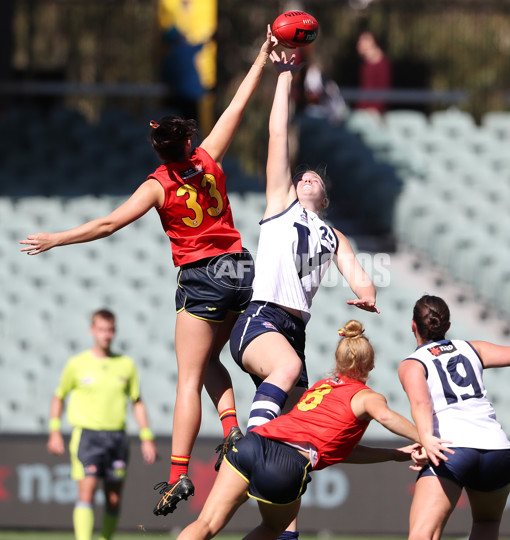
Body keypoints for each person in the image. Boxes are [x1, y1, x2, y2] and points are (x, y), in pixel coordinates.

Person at [20, 27, 277, 517]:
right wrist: (263, 56)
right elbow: (236, 110)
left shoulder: (158, 185)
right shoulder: (208, 159)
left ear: (159, 151)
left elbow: (110, 222)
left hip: (202, 277)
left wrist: (56, 238)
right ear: (186, 142)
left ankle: (179, 476)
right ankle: (232, 431)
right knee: (208, 365)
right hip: (242, 271)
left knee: (187, 378)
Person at [177, 320, 448, 540]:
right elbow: (387, 417)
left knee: (207, 523)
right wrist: (425, 437)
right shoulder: (367, 397)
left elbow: (340, 451)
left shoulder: (321, 387)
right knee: (273, 529)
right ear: (370, 365)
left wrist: (393, 454)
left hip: (252, 443)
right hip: (285, 464)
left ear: (339, 361)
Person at [230, 49, 380, 439]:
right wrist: (285, 75)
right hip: (261, 319)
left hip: (295, 332)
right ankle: (251, 442)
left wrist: (367, 295)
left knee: (299, 436)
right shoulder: (281, 204)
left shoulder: (334, 235)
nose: (307, 178)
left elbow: (360, 276)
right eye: (302, 177)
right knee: (286, 372)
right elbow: (277, 133)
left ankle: (265, 478)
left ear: (325, 200)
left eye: (316, 179)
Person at [397, 294, 510, 540]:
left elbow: (421, 403)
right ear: (448, 326)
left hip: (452, 449)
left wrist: (427, 439)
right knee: (487, 522)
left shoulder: (412, 364)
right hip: (496, 450)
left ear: (413, 325)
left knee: (424, 534)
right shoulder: (472, 348)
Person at [47, 308, 157, 540]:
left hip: (117, 438)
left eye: (110, 329)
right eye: (101, 329)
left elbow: (137, 401)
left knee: (113, 498)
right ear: (92, 331)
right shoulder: (77, 364)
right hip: (88, 437)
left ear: (114, 331)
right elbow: (59, 396)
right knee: (86, 493)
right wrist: (54, 430)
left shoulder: (126, 364)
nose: (106, 334)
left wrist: (146, 437)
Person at [355, 30, 392, 114]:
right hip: (362, 111)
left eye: (364, 40)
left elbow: (384, 91)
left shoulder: (383, 64)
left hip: (375, 113)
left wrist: (375, 109)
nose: (360, 43)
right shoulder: (364, 65)